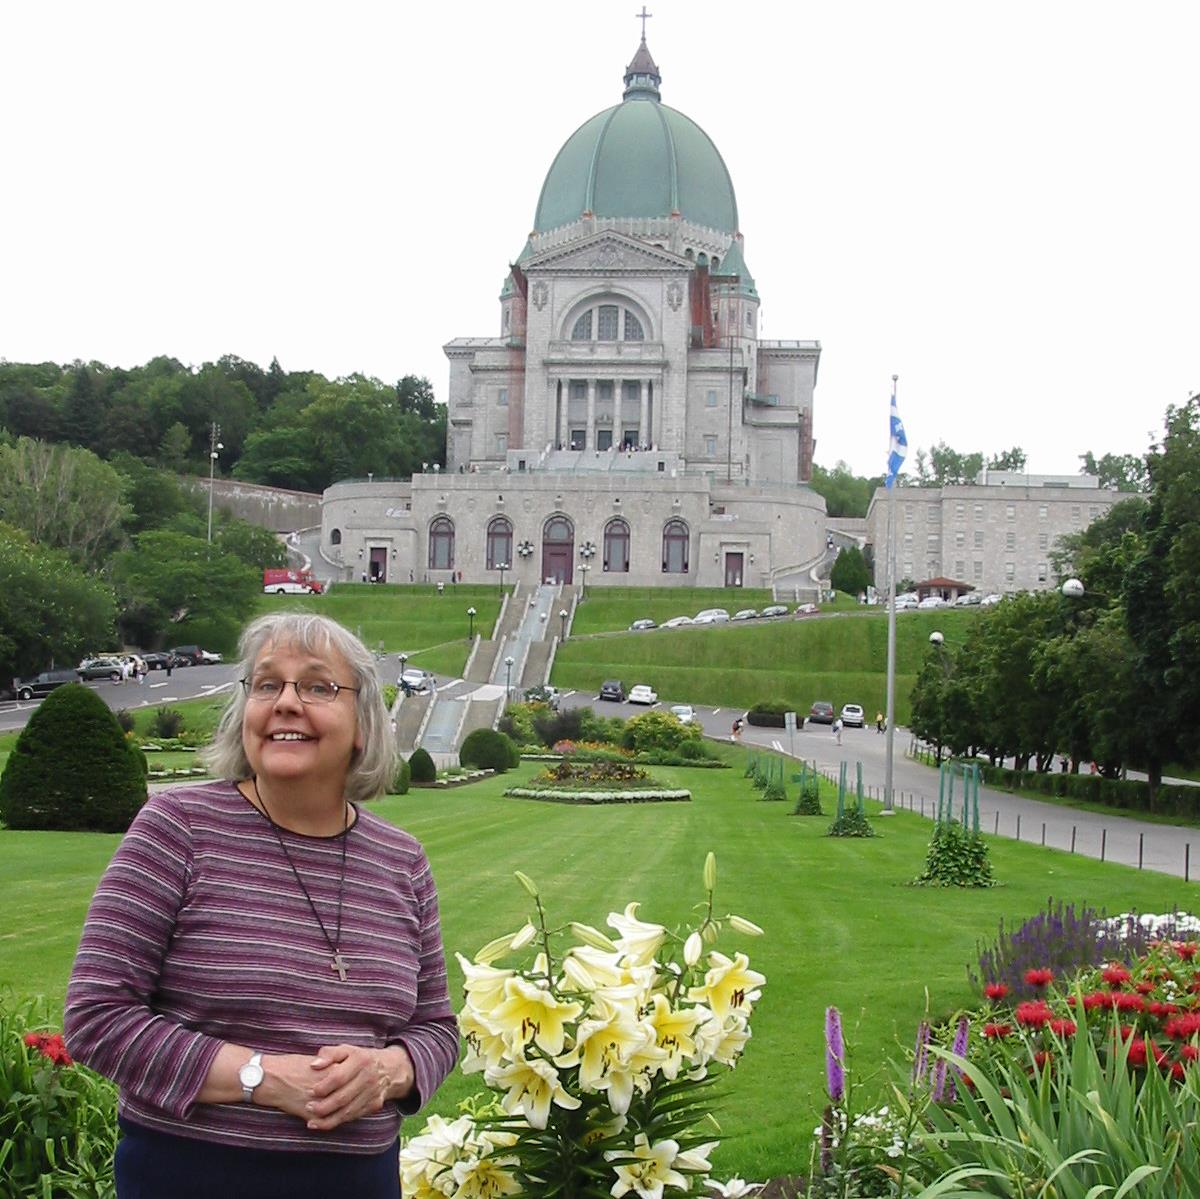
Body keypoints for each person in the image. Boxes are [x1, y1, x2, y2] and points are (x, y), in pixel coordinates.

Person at [64, 612, 459, 1199]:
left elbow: (436, 1029)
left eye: (318, 686)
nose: (286, 702)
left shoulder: (400, 859)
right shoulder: (178, 829)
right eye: (267, 684)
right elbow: (98, 1016)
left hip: (358, 1183)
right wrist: (263, 1078)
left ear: (362, 724)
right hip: (192, 1178)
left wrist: (388, 1071)